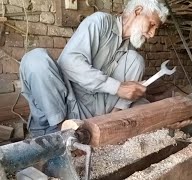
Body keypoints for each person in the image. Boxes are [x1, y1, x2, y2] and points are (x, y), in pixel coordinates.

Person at [19, 0, 169, 137]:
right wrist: (117, 87)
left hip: (94, 116)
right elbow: (69, 63)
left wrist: (129, 96)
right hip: (65, 105)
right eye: (152, 24)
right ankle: (59, 133)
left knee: (136, 62)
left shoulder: (130, 54)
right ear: (137, 11)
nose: (152, 34)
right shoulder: (100, 22)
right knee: (35, 59)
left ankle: (109, 126)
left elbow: (123, 99)